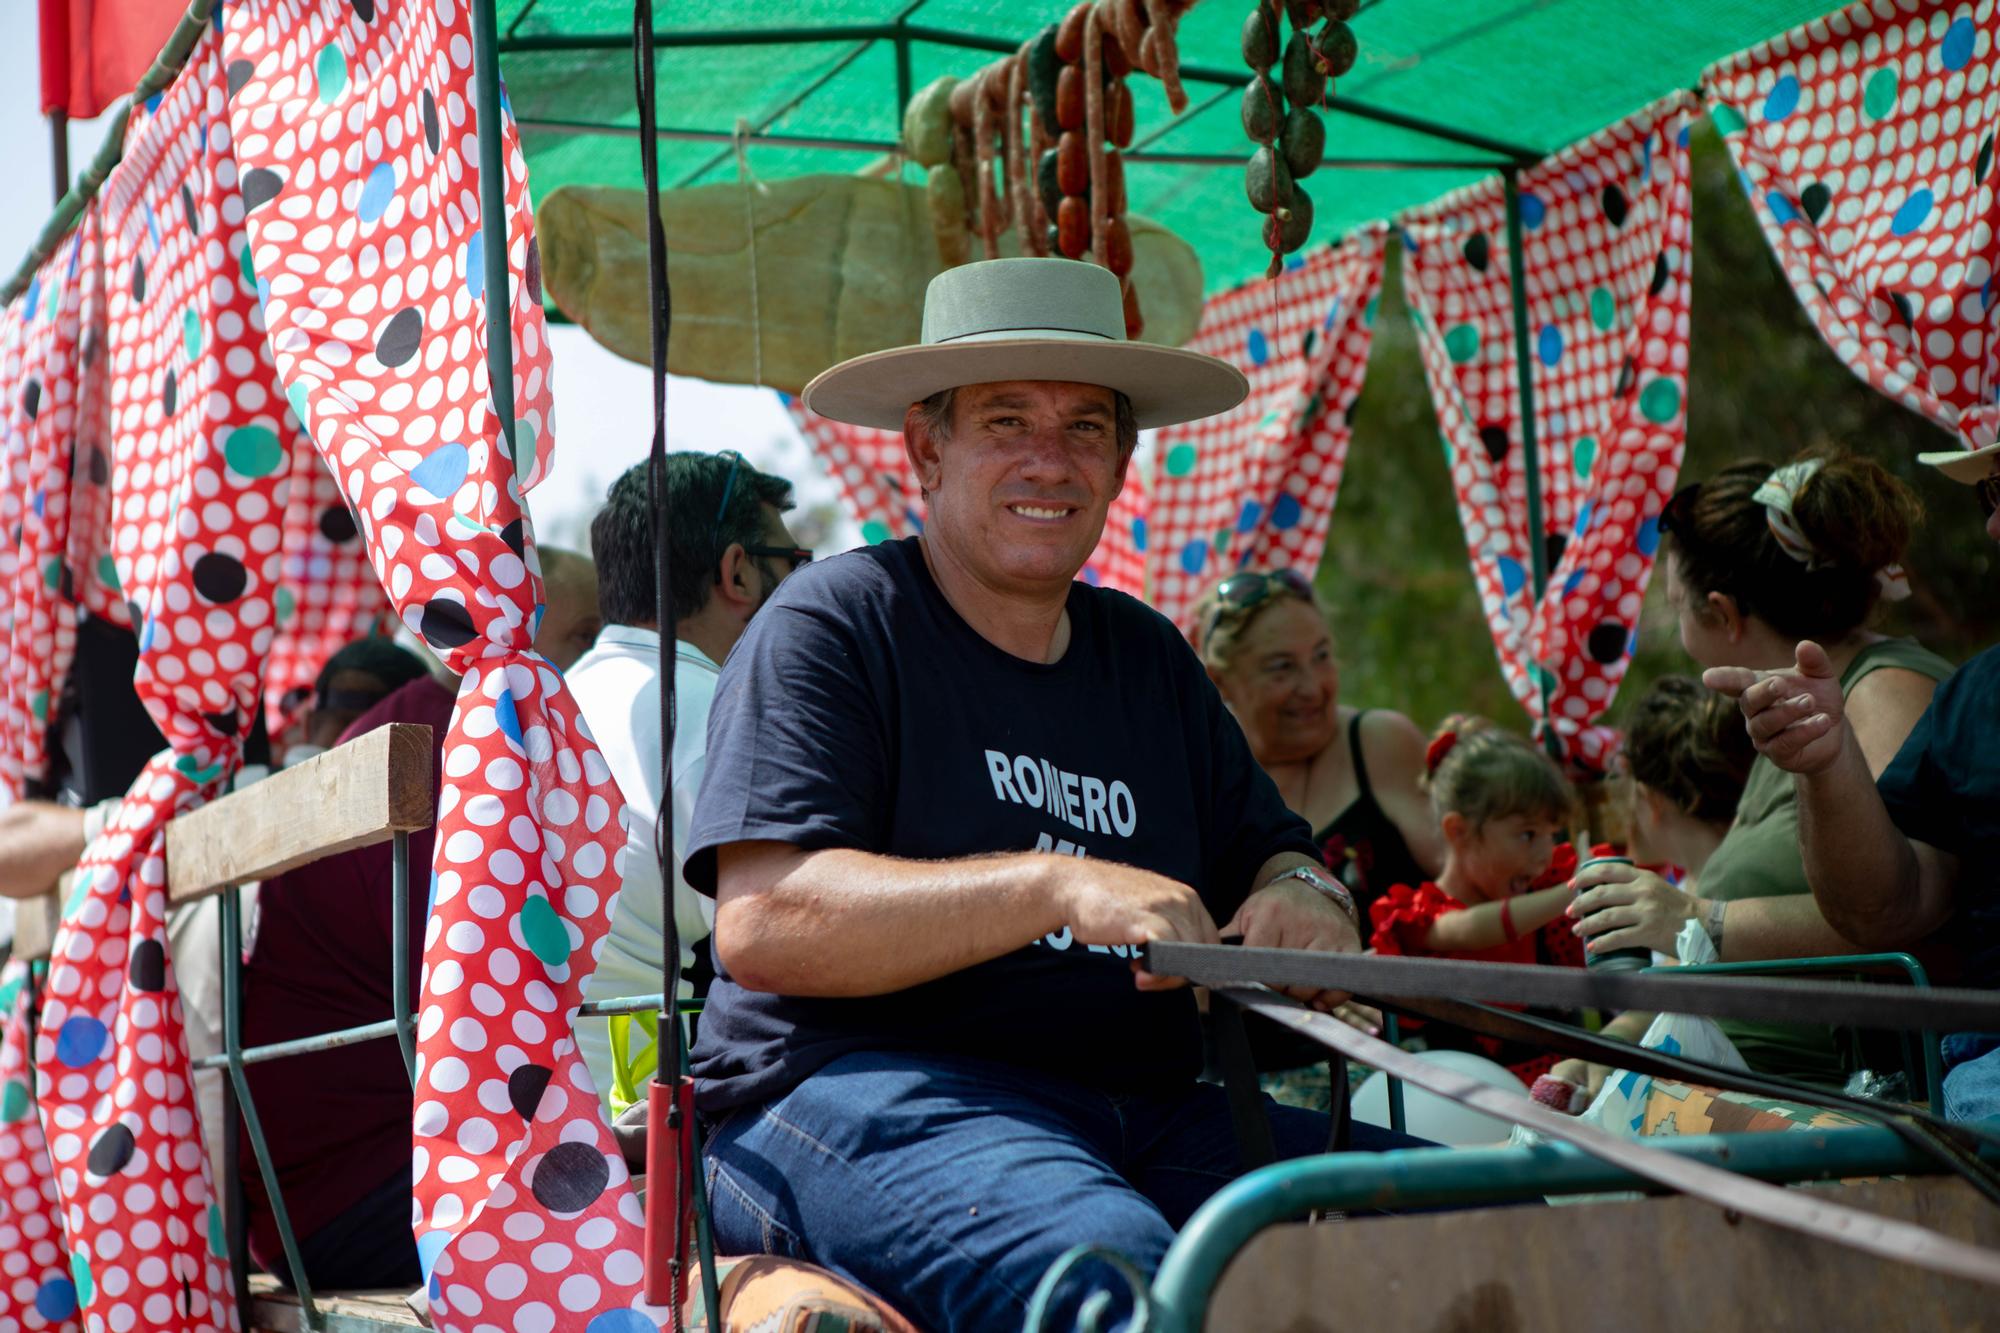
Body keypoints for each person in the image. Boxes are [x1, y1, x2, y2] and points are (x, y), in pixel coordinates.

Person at [682, 257, 1424, 1330]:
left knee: (1481, 1219)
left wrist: (1304, 891)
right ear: (924, 447)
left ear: (1123, 460)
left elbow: (1277, 848)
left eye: (1085, 427)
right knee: (1112, 1284)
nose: (1050, 458)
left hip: (1146, 1110)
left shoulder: (1148, 654)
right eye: (1005, 420)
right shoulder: (833, 623)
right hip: (851, 1098)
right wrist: (1052, 885)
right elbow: (762, 920)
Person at [238, 547, 595, 1291]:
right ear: (511, 630)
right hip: (347, 1193)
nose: (596, 664)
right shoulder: (454, 752)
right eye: (587, 638)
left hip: (316, 1185)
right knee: (649, 1206)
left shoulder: (425, 732)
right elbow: (480, 1011)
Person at [1569, 452, 1951, 1087]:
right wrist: (1604, 1051)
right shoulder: (1787, 712)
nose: (1676, 628)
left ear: (1722, 613)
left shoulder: (1884, 694)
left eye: (1675, 606)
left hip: (1840, 1118)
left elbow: (1896, 908)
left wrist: (1695, 919)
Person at [1706, 438, 2000, 1122]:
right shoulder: (1973, 696)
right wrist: (1825, 764)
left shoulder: (1894, 685)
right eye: (1991, 496)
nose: (1991, 524)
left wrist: (1697, 920)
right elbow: (1887, 907)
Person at [566, 453, 807, 1109]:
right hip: (641, 1131)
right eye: (794, 564)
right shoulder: (719, 709)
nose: (804, 588)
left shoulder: (561, 698)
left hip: (534, 1113)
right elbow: (787, 945)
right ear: (738, 572)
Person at [1191, 569, 1443, 922]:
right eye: (1282, 668)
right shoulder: (1199, 776)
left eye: (1321, 656)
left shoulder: (1378, 744)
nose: (1312, 687)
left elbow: (1472, 875)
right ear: (1220, 681)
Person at [1550, 674, 1758, 1102]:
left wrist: (1603, 1047)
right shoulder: (1690, 883)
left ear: (1650, 800)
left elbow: (1676, 991)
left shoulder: (1712, 892)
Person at [1368, 716, 1585, 1083]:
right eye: (1528, 835)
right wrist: (1576, 890)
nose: (1545, 855)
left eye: (1553, 834)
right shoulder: (1419, 920)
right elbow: (1474, 929)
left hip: (1567, 1103)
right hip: (1468, 1117)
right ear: (1459, 831)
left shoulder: (1549, 895)